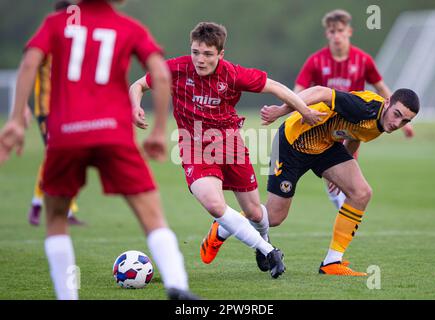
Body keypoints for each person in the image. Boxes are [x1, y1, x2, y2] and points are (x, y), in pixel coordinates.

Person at [0, 0, 197, 300]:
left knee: (55, 218)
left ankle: (68, 297)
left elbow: (29, 62)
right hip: (113, 133)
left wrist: (15, 119)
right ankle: (177, 284)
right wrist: (158, 129)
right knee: (152, 214)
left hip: (65, 133)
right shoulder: (130, 27)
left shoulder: (57, 23)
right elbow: (159, 72)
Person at [129, 22, 326, 279]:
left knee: (256, 213)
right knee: (213, 204)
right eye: (196, 52)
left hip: (231, 146)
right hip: (193, 147)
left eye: (208, 54)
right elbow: (138, 85)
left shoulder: (233, 74)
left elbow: (278, 88)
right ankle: (268, 249)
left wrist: (305, 111)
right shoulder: (176, 68)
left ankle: (261, 241)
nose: (200, 60)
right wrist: (135, 106)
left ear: (220, 55)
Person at [259, 85, 419, 275]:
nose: (397, 123)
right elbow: (321, 92)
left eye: (404, 121)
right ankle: (227, 224)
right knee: (275, 217)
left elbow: (356, 134)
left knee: (361, 193)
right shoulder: (365, 107)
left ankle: (332, 262)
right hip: (294, 141)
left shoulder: (382, 122)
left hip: (325, 146)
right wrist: (281, 110)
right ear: (387, 102)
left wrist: (341, 171)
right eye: (397, 114)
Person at [291, 9, 415, 210]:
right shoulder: (316, 60)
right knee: (331, 179)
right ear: (327, 34)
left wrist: (404, 123)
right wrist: (296, 110)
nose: (336, 35)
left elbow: (382, 89)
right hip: (322, 125)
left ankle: (345, 212)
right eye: (332, 31)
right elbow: (298, 90)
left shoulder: (363, 60)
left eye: (340, 30)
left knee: (348, 178)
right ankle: (342, 210)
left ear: (349, 31)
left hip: (354, 127)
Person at [27, 0, 86, 227]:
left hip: (71, 110)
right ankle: (37, 204)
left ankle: (64, 209)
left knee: (72, 158)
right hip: (48, 111)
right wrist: (23, 106)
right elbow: (29, 68)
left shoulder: (76, 46)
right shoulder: (47, 41)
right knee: (55, 155)